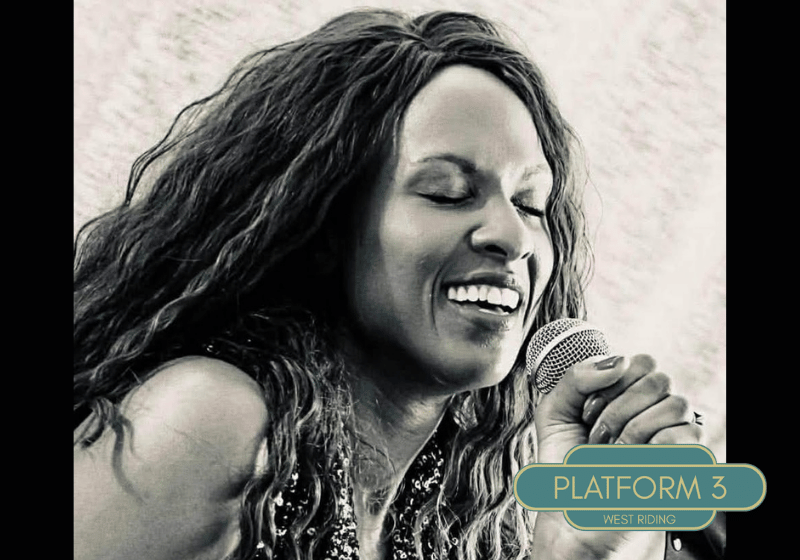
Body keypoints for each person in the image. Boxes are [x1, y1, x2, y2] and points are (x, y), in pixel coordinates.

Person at [74, 9, 707, 560]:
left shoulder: (442, 523)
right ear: (325, 226)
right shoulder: (210, 418)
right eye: (447, 193)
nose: (513, 237)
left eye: (530, 204)